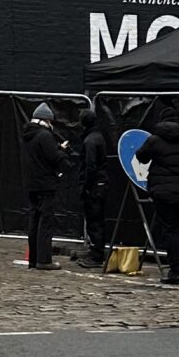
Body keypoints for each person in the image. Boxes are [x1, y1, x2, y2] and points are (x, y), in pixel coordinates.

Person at [135, 107, 179, 284]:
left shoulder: (155, 141)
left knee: (171, 230)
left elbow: (141, 157)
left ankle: (176, 271)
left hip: (163, 192)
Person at [19, 100, 68, 270]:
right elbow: (53, 157)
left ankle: (33, 258)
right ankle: (44, 259)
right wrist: (61, 150)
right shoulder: (44, 135)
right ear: (46, 120)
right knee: (45, 222)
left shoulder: (27, 135)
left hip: (31, 183)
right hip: (45, 183)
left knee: (34, 220)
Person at [79, 106, 115, 267]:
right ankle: (96, 251)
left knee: (94, 221)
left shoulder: (90, 140)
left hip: (94, 186)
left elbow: (90, 166)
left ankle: (96, 255)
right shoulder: (98, 137)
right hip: (101, 184)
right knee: (97, 220)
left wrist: (85, 186)